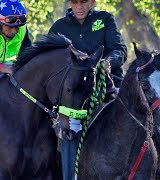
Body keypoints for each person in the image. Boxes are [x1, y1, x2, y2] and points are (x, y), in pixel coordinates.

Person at [48, 0, 127, 179]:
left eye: (84, 2)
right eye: (75, 2)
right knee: (68, 128)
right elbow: (52, 62)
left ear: (92, 2)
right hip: (75, 93)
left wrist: (107, 63)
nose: (80, 6)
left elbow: (120, 50)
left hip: (109, 85)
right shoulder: (58, 27)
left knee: (143, 113)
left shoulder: (105, 19)